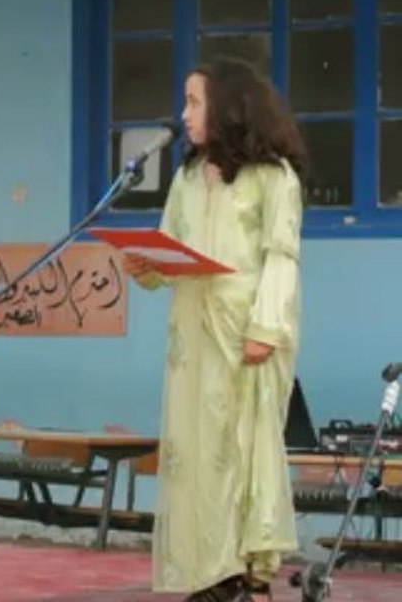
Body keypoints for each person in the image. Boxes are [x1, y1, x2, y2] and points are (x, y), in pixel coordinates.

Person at [123, 57, 308, 601]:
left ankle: (246, 573)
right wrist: (148, 268)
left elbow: (282, 258)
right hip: (194, 336)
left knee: (242, 449)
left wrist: (266, 328)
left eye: (194, 102)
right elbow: (173, 250)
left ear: (229, 107)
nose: (184, 114)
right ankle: (207, 571)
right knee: (197, 453)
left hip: (248, 331)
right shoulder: (184, 178)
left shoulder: (274, 177)